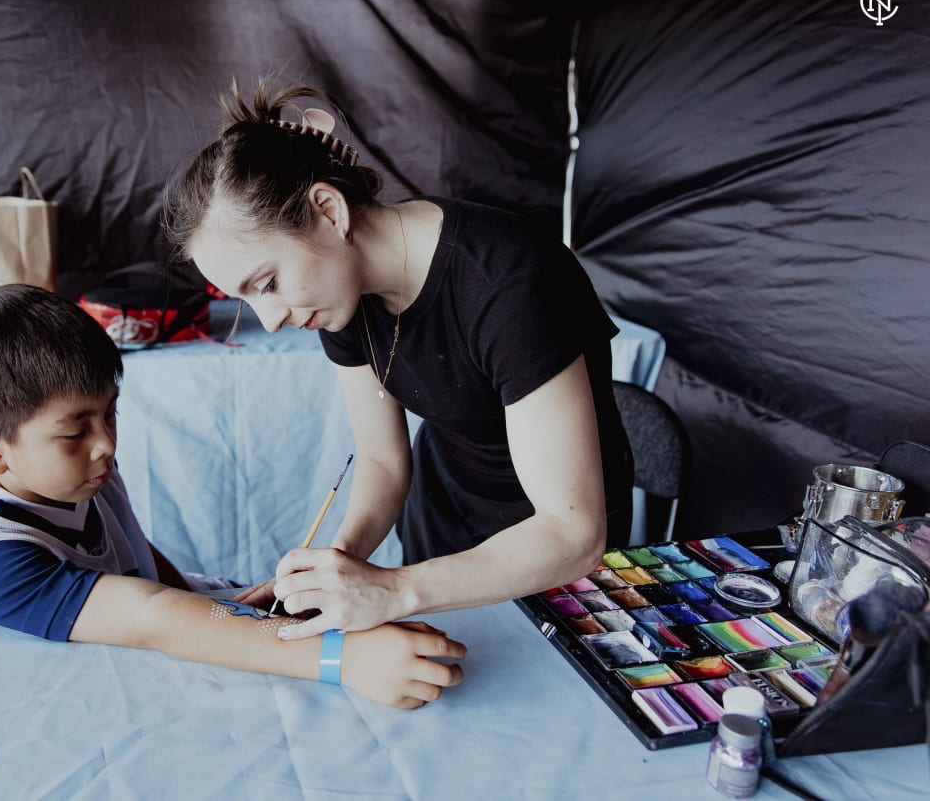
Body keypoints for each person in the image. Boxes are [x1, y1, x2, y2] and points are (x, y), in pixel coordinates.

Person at [163, 79, 634, 641]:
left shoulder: (507, 282)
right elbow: (384, 461)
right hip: (442, 530)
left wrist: (390, 589)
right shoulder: (337, 296)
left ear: (328, 210)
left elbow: (572, 533)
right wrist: (334, 566)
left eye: (267, 283)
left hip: (547, 557)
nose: (271, 320)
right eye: (245, 298)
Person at [0, 283, 465, 709]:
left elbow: (144, 570)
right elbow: (153, 616)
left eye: (110, 413)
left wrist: (232, 605)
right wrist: (345, 658)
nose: (106, 444)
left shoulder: (74, 473)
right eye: (75, 432)